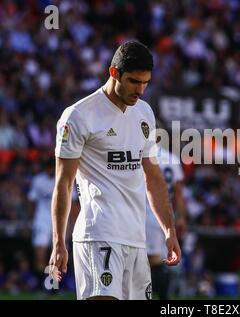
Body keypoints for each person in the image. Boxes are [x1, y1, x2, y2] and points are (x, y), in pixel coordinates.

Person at [49, 40, 181, 300]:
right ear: (114, 73)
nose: (140, 90)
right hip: (98, 233)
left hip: (136, 238)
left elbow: (153, 178)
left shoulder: (144, 112)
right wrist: (58, 241)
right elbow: (63, 184)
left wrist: (169, 230)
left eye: (145, 83)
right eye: (133, 81)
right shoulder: (78, 116)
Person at [146, 146, 187, 299]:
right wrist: (181, 217)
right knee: (158, 260)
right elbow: (178, 193)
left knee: (149, 261)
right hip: (165, 216)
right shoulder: (172, 159)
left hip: (144, 212)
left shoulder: (140, 153)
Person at [28, 158, 55, 277]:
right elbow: (31, 201)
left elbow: (73, 202)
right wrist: (30, 221)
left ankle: (55, 286)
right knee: (40, 253)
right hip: (42, 219)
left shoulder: (63, 178)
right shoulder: (38, 180)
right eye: (48, 167)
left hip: (59, 220)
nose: (51, 169)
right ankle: (42, 284)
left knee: (58, 254)